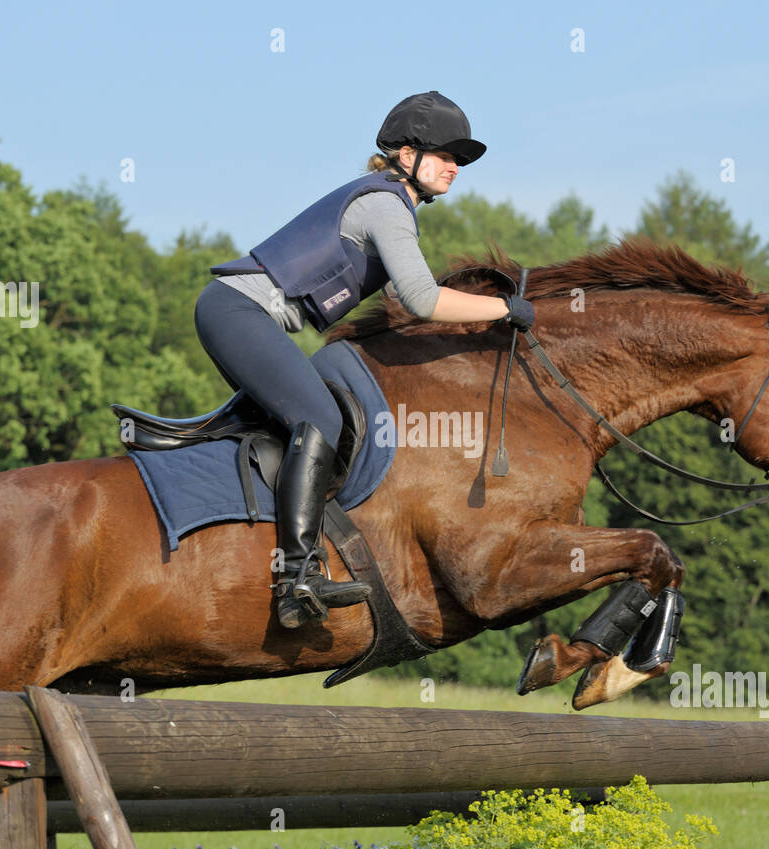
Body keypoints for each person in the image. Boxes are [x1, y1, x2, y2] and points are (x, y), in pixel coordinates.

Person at [196, 91, 536, 629]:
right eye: (446, 155)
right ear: (407, 157)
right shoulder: (386, 205)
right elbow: (422, 299)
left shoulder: (389, 202)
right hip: (238, 312)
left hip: (238, 313)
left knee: (302, 421)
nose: (455, 168)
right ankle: (297, 578)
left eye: (460, 161)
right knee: (324, 418)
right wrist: (504, 309)